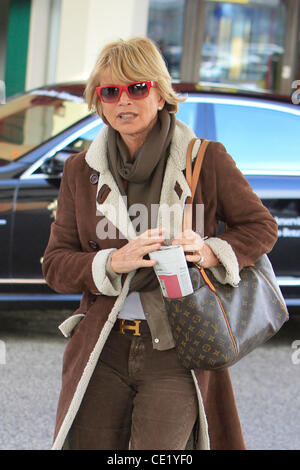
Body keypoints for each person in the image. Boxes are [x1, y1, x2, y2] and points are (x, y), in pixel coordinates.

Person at [42, 37, 278, 450]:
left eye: (137, 87)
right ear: (99, 101)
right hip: (104, 346)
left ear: (161, 92)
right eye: (110, 91)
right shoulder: (81, 171)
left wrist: (208, 250)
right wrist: (113, 261)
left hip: (177, 347)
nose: (124, 101)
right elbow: (56, 264)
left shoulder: (205, 159)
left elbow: (261, 227)